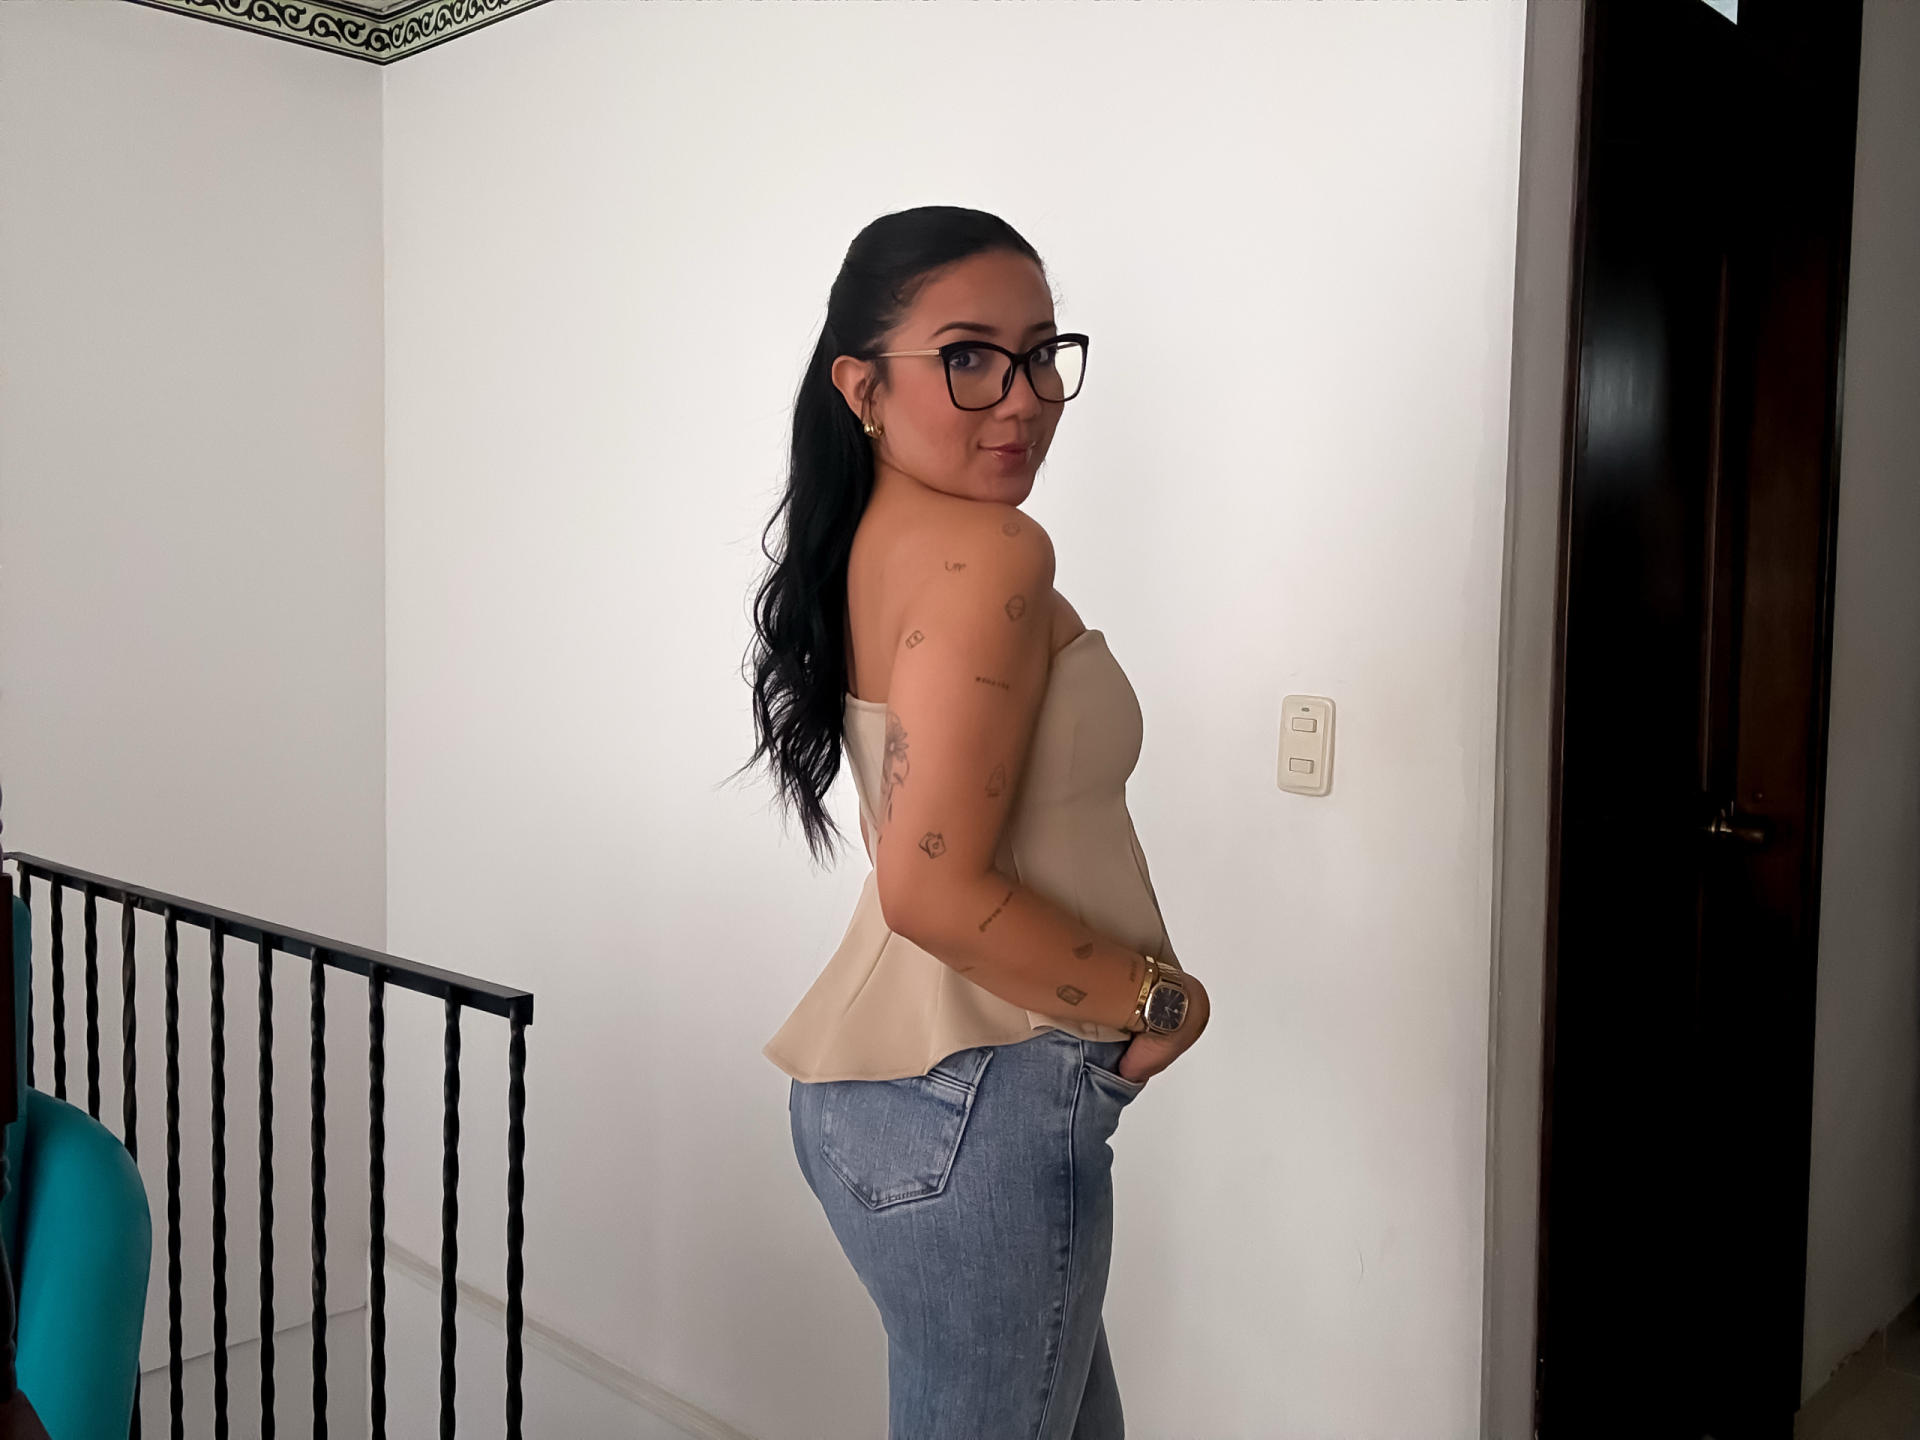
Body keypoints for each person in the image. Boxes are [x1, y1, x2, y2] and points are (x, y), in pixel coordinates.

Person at [732, 205, 1210, 1440]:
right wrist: (1163, 998)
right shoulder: (992, 553)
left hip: (913, 1099)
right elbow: (930, 887)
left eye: (1043, 354)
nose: (1025, 397)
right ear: (863, 388)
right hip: (979, 1103)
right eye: (969, 358)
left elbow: (911, 833)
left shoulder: (872, 544)